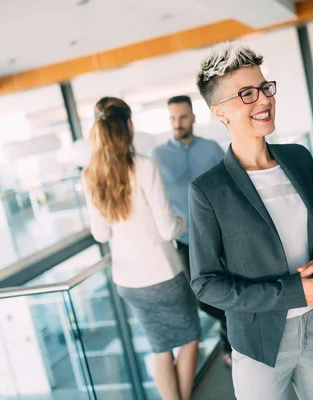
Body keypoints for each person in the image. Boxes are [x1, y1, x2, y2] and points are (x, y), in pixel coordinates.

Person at [189, 42, 313, 400]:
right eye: (246, 94)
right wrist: (294, 291)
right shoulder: (208, 190)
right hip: (259, 343)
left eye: (264, 88)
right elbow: (206, 284)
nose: (263, 100)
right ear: (219, 112)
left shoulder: (299, 159)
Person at [82, 97, 201, 400]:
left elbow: (99, 233)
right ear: (127, 126)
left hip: (128, 281)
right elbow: (167, 228)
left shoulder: (91, 175)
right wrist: (182, 221)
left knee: (160, 348)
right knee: (189, 339)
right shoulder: (145, 166)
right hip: (163, 276)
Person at [151, 95, 232, 365]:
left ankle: (231, 344)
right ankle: (230, 323)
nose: (178, 123)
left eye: (183, 117)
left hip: (220, 231)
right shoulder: (158, 157)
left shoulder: (211, 149)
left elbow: (228, 185)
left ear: (193, 117)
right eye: (173, 118)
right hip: (185, 239)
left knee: (230, 283)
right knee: (202, 295)